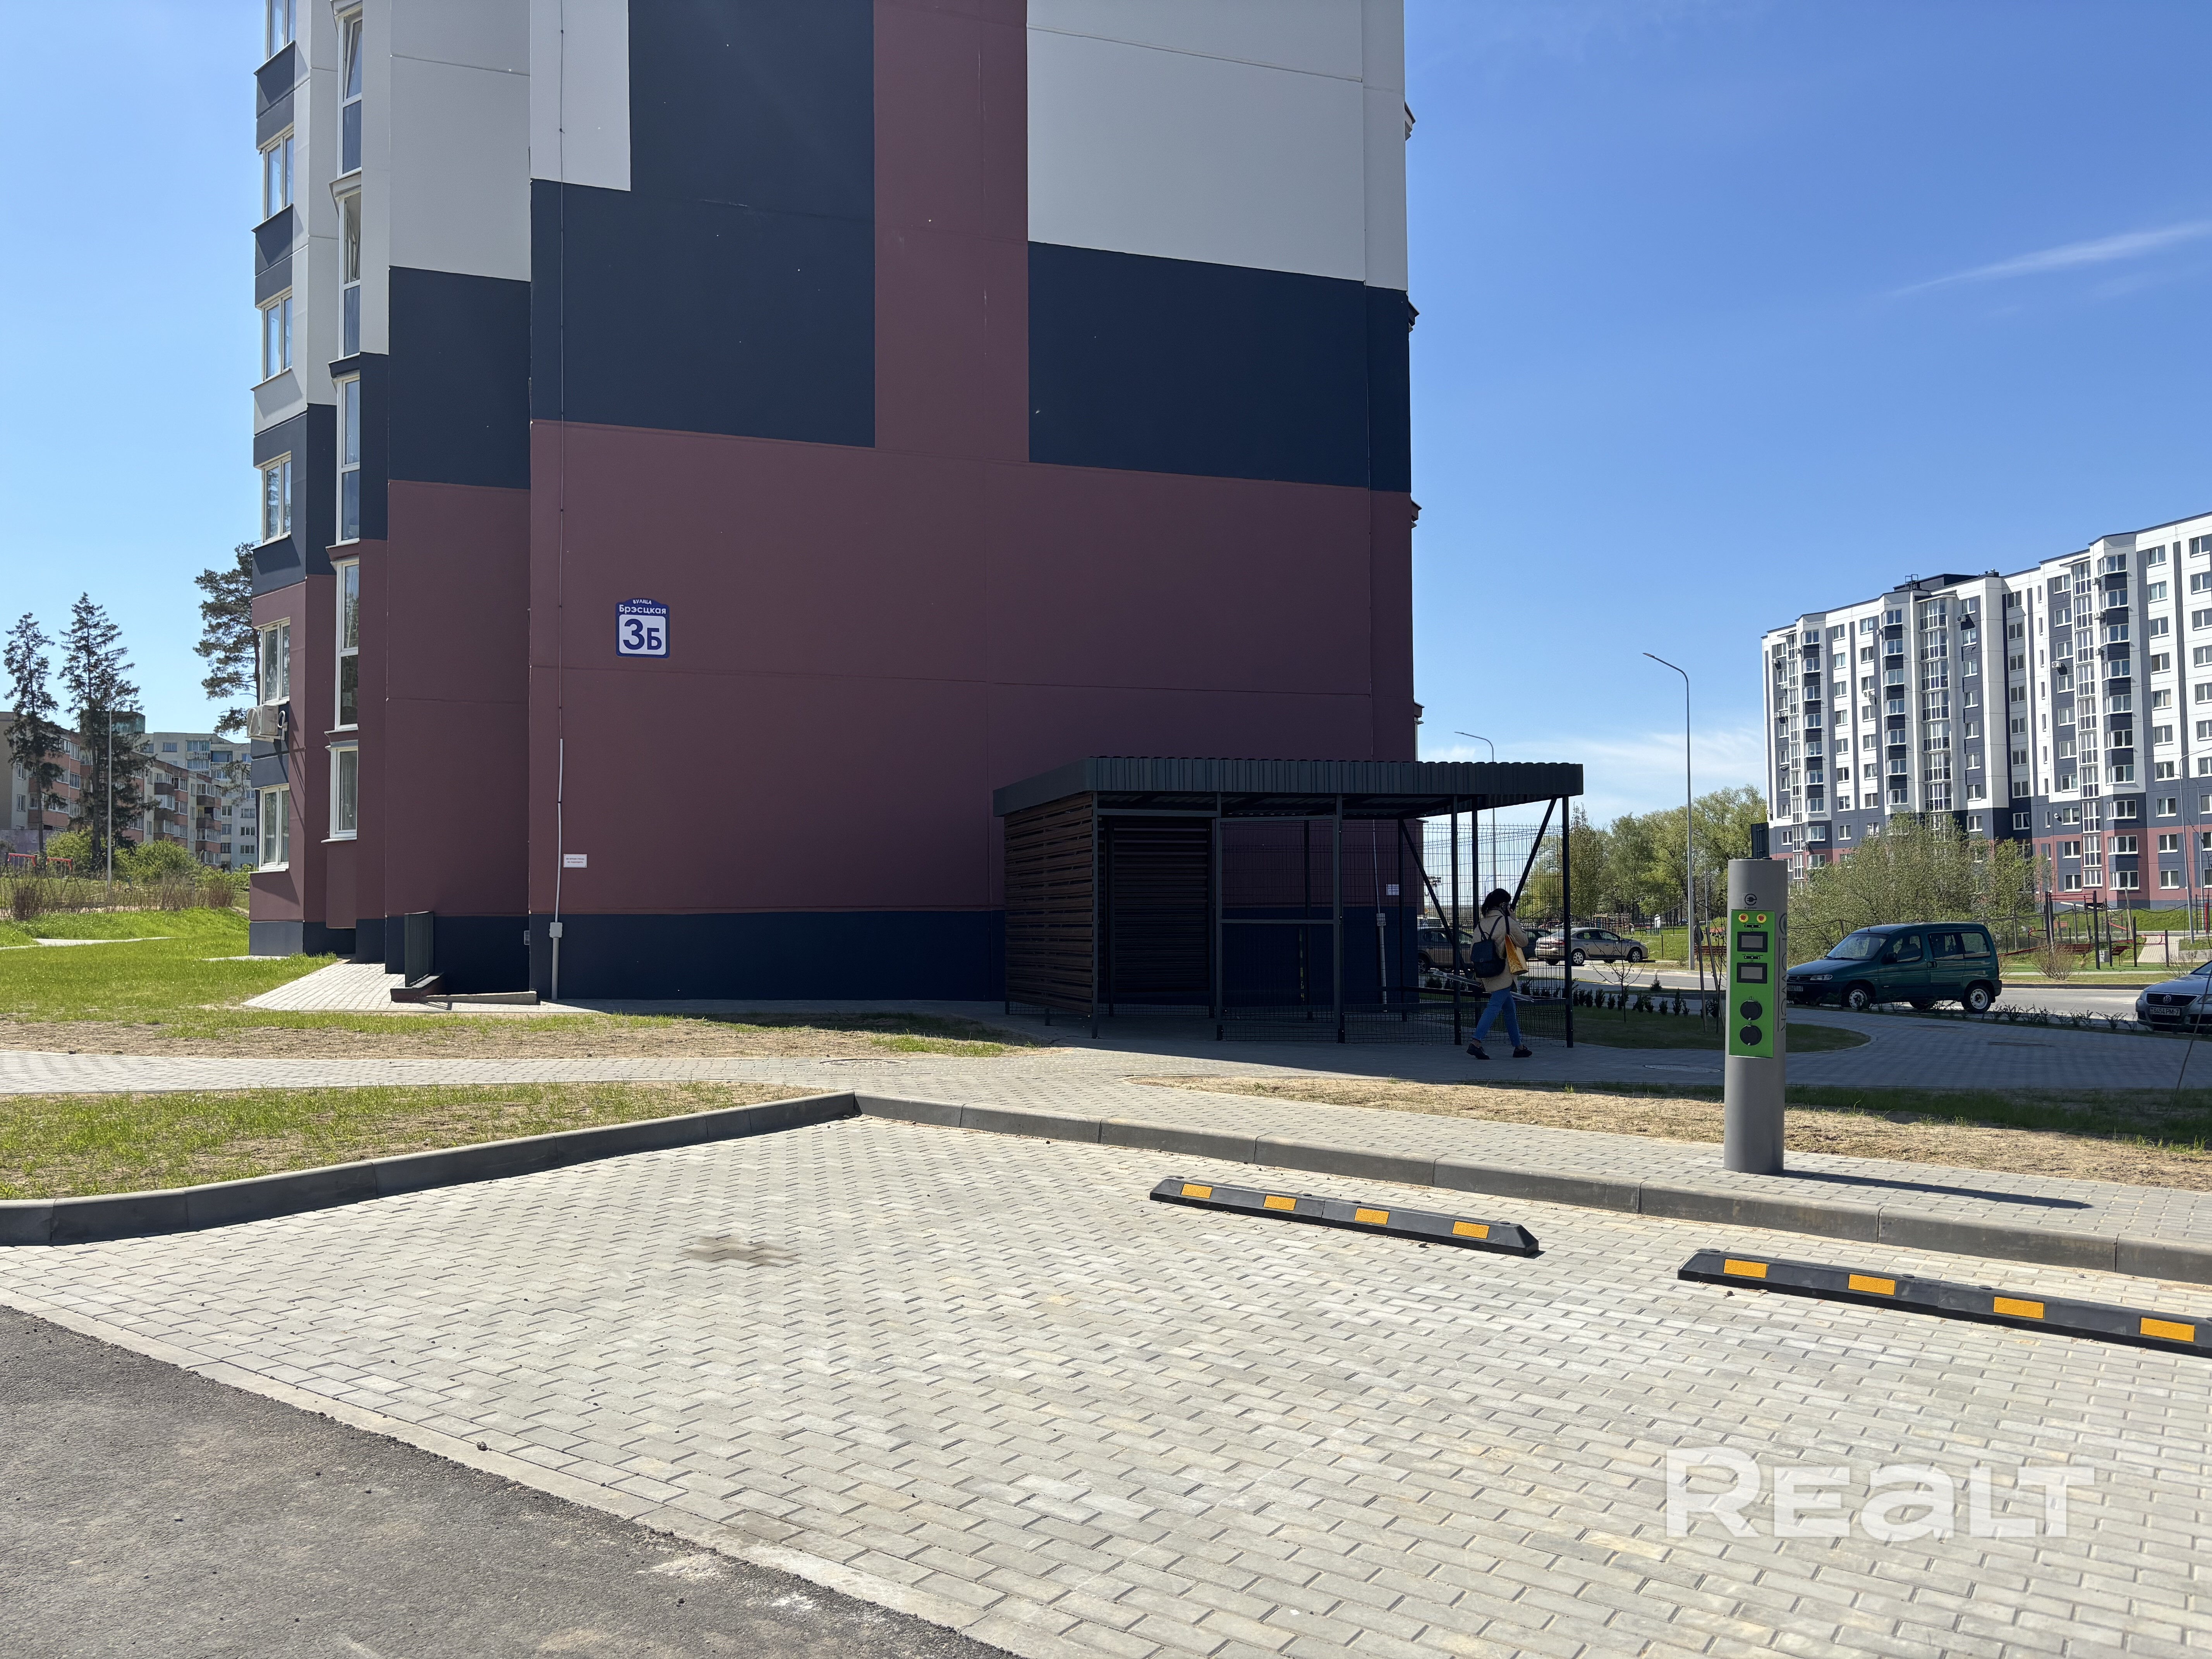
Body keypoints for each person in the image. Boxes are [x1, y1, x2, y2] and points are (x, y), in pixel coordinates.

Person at [1467, 887, 1532, 1060]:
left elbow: (1474, 952)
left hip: (1487, 972)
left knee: (1509, 1009)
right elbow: (1524, 941)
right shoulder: (1507, 922)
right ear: (1503, 905)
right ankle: (1476, 1043)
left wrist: (1480, 977)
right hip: (1503, 973)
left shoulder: (1481, 925)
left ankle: (1519, 1047)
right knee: (1494, 1007)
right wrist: (1514, 919)